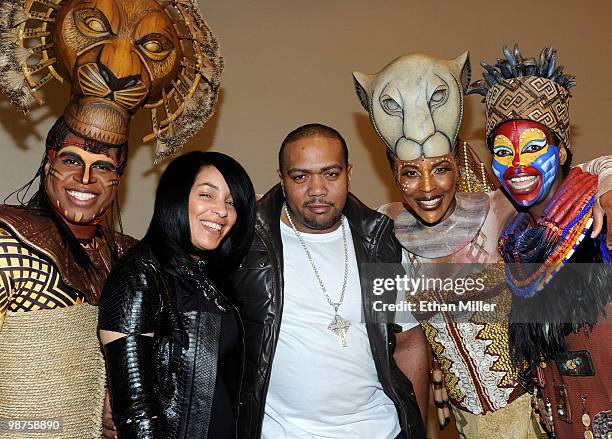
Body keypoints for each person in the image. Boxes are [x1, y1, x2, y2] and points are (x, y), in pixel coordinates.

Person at [353, 50, 612, 438]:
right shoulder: (384, 230)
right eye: (411, 173)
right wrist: (431, 373)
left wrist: (608, 188)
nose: (428, 187)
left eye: (440, 169)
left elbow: (580, 171)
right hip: (465, 421)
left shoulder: (498, 208)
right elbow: (396, 331)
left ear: (458, 167)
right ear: (394, 173)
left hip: (532, 409)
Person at [229, 123, 428, 439]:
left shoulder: (379, 243)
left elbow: (407, 341)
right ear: (282, 180)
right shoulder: (246, 242)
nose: (317, 189)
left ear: (349, 174)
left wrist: (416, 430)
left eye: (330, 174)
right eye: (300, 177)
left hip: (381, 430)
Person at [470, 45, 612, 438]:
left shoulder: (601, 221)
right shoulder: (515, 240)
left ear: (562, 149)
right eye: (502, 152)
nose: (516, 165)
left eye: (533, 147)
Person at [98, 151, 256, 438]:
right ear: (177, 197)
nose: (222, 211)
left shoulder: (210, 274)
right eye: (207, 195)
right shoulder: (139, 274)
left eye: (231, 202)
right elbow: (135, 410)